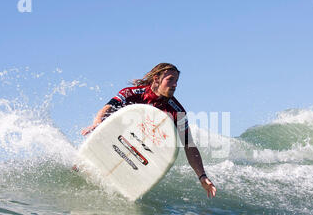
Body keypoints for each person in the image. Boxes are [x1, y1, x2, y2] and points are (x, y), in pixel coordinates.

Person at [81, 63, 217, 198]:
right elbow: (108, 108)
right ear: (156, 79)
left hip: (141, 154)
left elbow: (189, 145)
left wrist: (202, 176)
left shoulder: (177, 111)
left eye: (176, 81)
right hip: (117, 140)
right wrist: (97, 123)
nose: (175, 85)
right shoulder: (132, 93)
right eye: (170, 80)